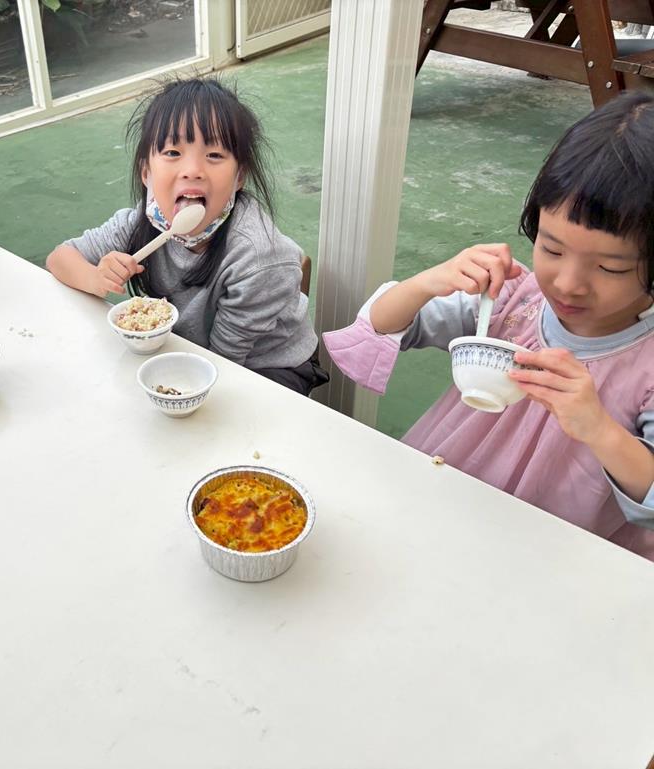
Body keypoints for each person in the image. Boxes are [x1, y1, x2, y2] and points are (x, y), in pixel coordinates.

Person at [323, 91, 654, 560]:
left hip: (548, 553)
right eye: (551, 248)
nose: (568, 283)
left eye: (610, 268)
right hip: (442, 503)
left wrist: (599, 428)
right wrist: (426, 282)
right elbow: (384, 326)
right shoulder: (512, 298)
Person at [45, 77, 325, 395]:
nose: (192, 170)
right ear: (147, 173)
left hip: (267, 367)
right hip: (193, 349)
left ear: (239, 177)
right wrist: (96, 278)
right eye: (173, 152)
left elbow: (221, 367)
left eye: (214, 155)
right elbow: (60, 257)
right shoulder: (143, 222)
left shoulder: (257, 256)